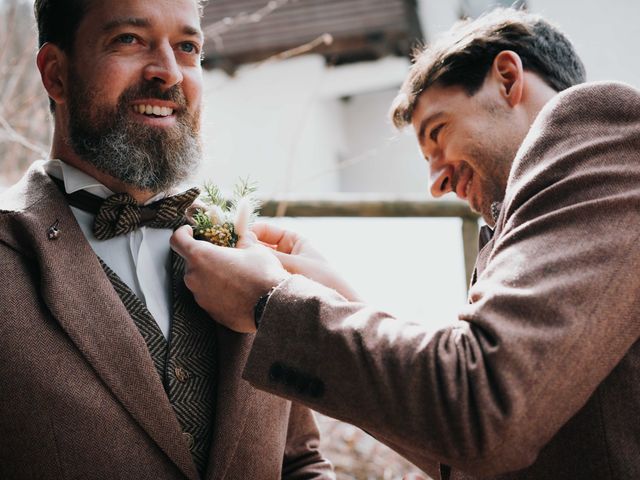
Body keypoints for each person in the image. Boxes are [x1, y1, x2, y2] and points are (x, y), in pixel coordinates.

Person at [170, 7, 640, 480]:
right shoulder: (544, 224)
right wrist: (336, 298)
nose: (436, 183)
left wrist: (269, 302)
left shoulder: (595, 125)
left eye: (438, 132)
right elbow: (465, 455)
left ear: (506, 77)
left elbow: (482, 411)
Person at [0, 0, 335, 479]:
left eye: (187, 47)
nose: (169, 73)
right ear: (56, 74)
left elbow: (299, 461)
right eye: (130, 40)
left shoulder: (248, 253)